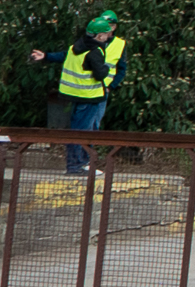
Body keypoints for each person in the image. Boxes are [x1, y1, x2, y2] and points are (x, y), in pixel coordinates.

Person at [32, 12, 127, 174]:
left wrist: (111, 86)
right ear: (100, 35)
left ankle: (82, 163)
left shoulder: (79, 45)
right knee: (83, 131)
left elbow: (120, 69)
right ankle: (77, 166)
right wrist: (104, 68)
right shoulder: (94, 50)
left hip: (84, 93)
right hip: (90, 95)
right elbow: (99, 73)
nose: (108, 33)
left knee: (85, 129)